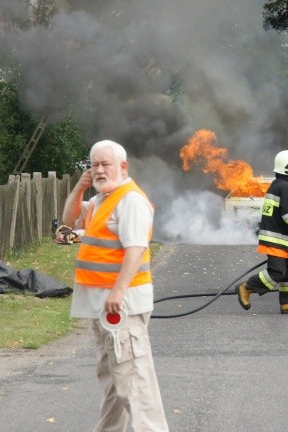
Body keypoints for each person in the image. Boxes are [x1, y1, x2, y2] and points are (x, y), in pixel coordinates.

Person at [63, 140, 169, 431]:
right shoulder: (101, 200)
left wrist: (118, 292)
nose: (98, 170)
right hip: (103, 307)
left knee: (134, 383)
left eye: (105, 164)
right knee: (113, 381)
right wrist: (78, 188)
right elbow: (68, 221)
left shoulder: (130, 200)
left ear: (123, 167)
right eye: (93, 164)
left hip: (120, 306)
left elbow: (135, 248)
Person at [236, 150, 288, 314]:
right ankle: (247, 288)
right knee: (277, 272)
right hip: (276, 240)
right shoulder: (284, 187)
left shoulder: (280, 185)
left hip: (283, 239)